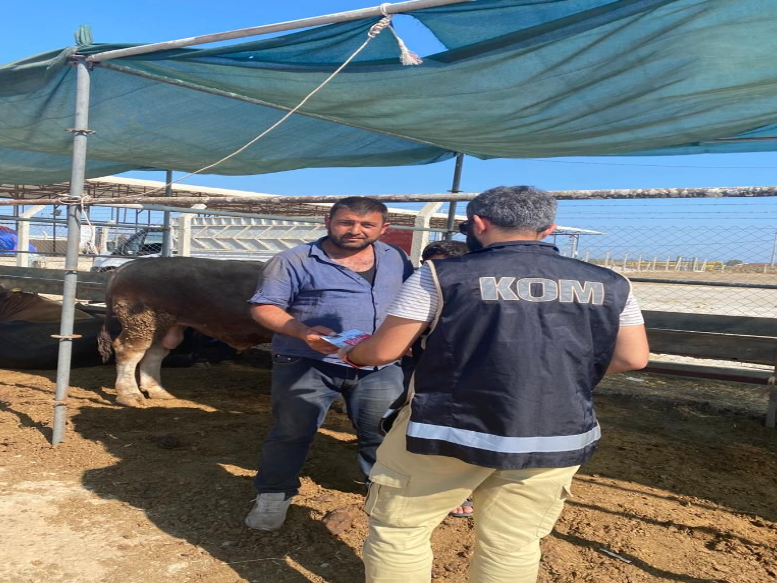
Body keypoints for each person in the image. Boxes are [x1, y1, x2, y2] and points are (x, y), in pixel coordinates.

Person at [338, 186, 650, 583]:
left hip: (447, 430)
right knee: (512, 543)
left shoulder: (440, 276)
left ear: (479, 223)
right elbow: (633, 358)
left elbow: (384, 352)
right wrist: (562, 377)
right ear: (549, 229)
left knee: (401, 530)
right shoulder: (612, 282)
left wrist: (351, 354)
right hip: (556, 431)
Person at [244, 196, 414, 532]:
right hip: (308, 361)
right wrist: (302, 331)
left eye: (367, 225)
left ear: (384, 228)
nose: (355, 230)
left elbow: (408, 300)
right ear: (328, 222)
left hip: (378, 364)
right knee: (292, 431)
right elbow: (263, 307)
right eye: (346, 222)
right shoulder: (294, 260)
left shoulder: (395, 257)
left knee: (381, 431)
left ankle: (381, 491)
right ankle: (273, 495)